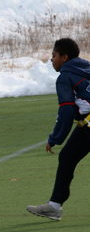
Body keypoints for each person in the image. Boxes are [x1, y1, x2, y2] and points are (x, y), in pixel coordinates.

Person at [27, 38, 90, 221]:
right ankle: (54, 205)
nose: (51, 59)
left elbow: (66, 111)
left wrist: (55, 138)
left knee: (67, 158)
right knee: (67, 157)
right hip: (86, 124)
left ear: (64, 57)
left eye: (54, 55)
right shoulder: (86, 68)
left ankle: (54, 207)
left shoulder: (65, 77)